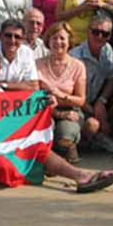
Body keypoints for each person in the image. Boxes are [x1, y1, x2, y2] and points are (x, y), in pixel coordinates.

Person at [0, 46, 113, 194]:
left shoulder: (1, 94)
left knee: (36, 146)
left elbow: (18, 119)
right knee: (3, 163)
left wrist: (44, 104)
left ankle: (81, 176)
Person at [35, 22, 87, 163]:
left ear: (69, 41)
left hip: (70, 109)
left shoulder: (78, 66)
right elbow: (33, 94)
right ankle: (50, 158)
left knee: (65, 135)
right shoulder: (37, 64)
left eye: (62, 38)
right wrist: (56, 112)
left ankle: (67, 148)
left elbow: (81, 100)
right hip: (44, 110)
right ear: (48, 41)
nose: (58, 42)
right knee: (45, 130)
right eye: (54, 38)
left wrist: (59, 94)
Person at [70, 12, 113, 153]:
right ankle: (85, 141)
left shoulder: (107, 50)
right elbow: (70, 92)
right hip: (76, 105)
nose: (99, 36)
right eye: (95, 32)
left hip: (95, 100)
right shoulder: (75, 56)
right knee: (93, 124)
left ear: (110, 36)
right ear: (88, 32)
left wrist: (102, 101)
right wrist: (94, 112)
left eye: (105, 33)